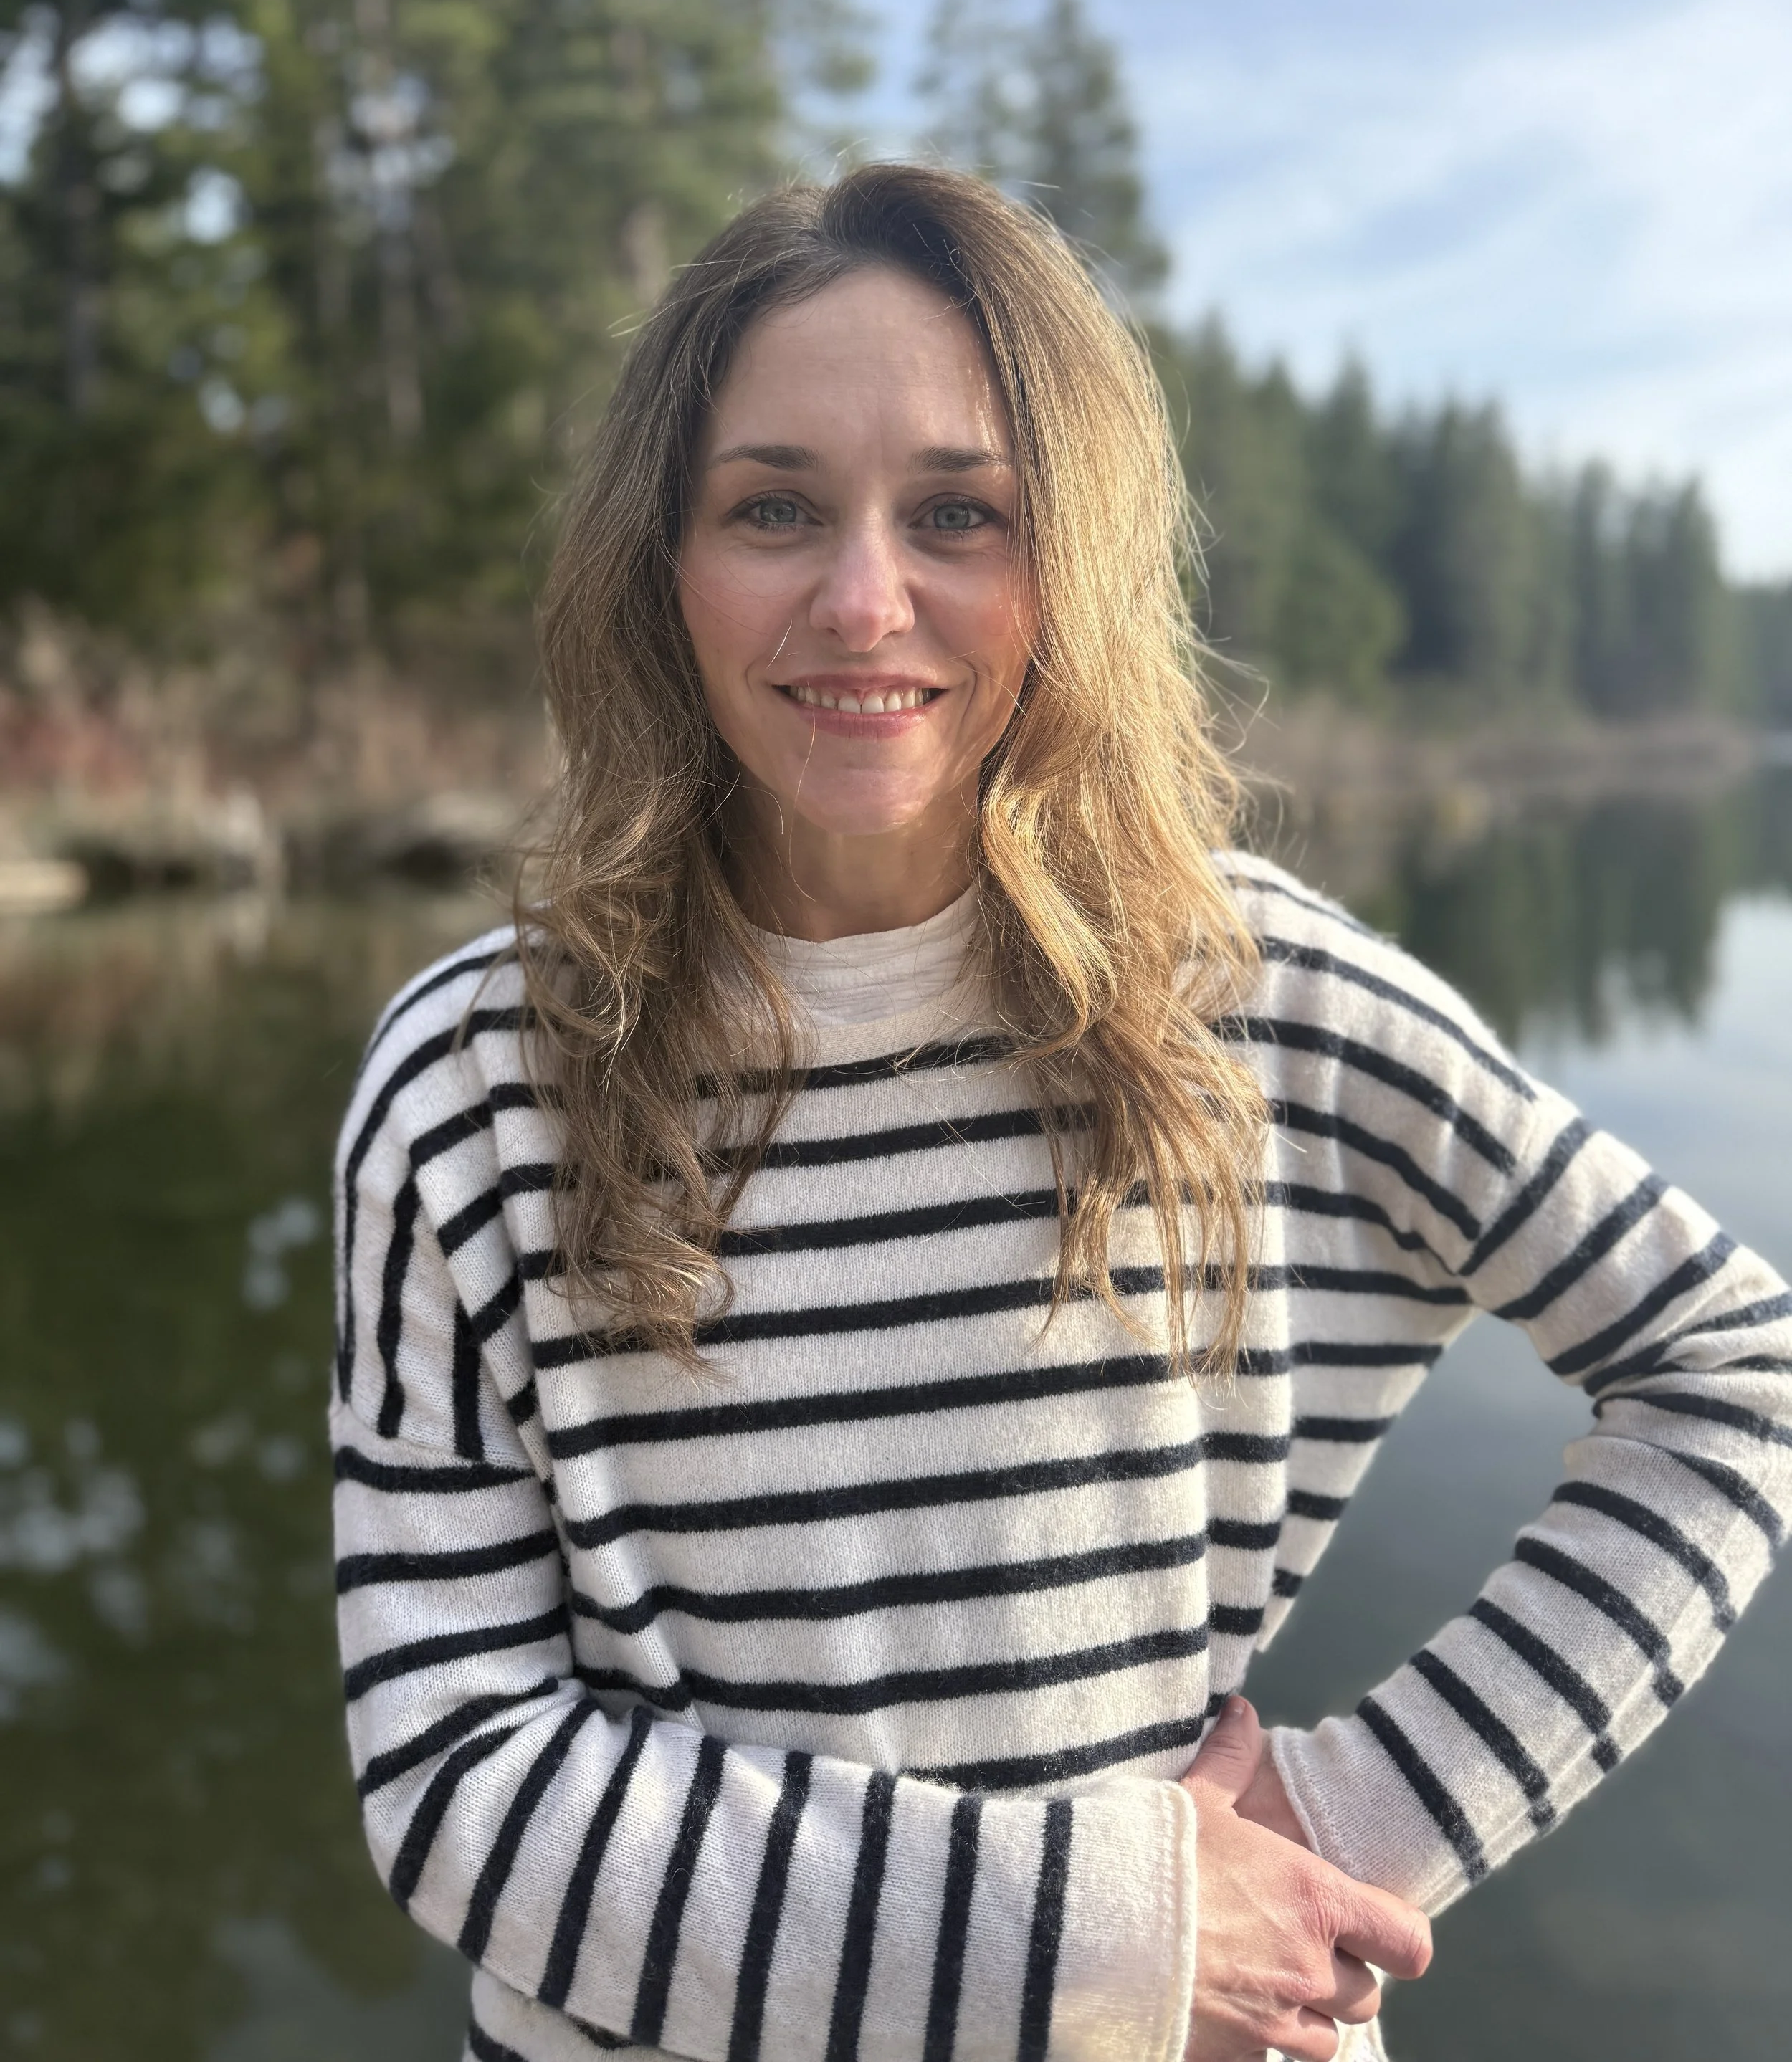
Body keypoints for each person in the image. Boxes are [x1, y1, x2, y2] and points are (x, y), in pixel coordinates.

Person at [331, 164, 1792, 2062]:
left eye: (960, 512)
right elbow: (457, 1776)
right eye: (771, 506)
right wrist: (1097, 1930)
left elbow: (1730, 1368)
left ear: (1073, 560)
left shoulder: (1257, 999)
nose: (862, 599)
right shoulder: (471, 1084)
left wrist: (1340, 1833)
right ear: (657, 562)